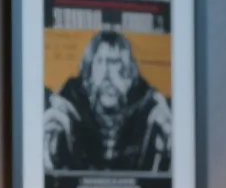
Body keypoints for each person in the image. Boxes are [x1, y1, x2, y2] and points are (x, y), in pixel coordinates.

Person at [44, 28, 172, 173]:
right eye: (100, 62)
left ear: (130, 76)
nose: (107, 72)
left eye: (115, 63)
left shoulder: (149, 107)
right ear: (88, 76)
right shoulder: (68, 105)